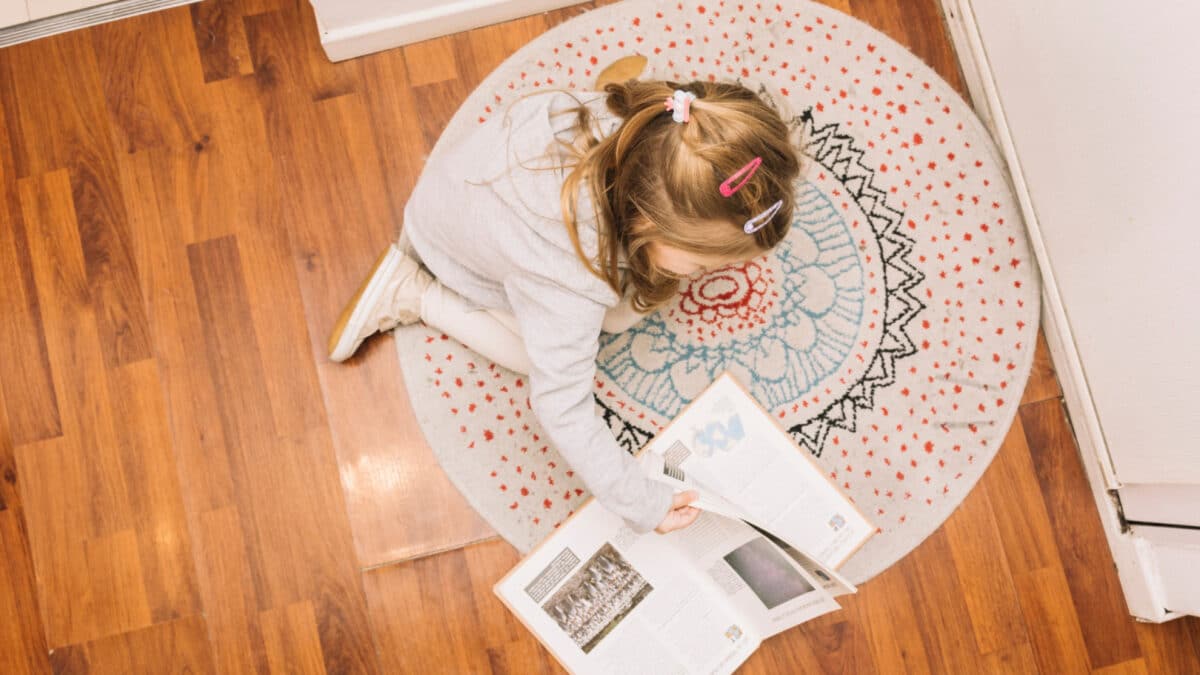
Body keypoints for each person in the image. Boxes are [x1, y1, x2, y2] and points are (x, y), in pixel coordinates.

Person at [327, 79, 801, 535]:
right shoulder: (566, 274)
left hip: (485, 185)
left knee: (630, 301)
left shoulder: (662, 126)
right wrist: (641, 501)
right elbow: (561, 406)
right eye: (698, 263)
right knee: (535, 356)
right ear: (647, 220)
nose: (703, 275)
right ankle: (410, 292)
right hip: (454, 247)